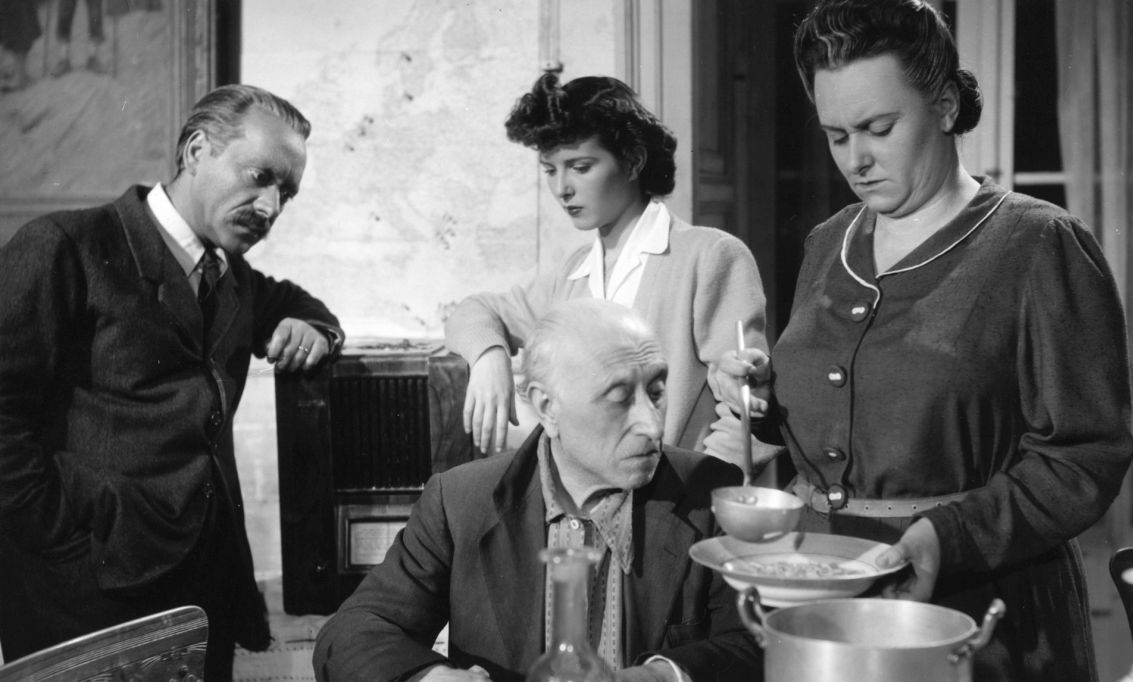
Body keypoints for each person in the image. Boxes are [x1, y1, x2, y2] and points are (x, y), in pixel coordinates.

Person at [714, 1, 1133, 680]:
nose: (856, 159)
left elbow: (1086, 457)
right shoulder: (827, 243)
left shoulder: (1037, 244)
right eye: (835, 135)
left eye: (878, 128)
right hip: (826, 608)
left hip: (982, 620)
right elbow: (841, 424)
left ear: (943, 107)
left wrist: (951, 534)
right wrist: (760, 398)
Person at [0, 84, 344, 681]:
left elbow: (302, 307)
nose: (270, 207)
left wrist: (314, 328)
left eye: (285, 193)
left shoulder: (233, 276)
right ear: (196, 150)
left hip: (205, 593)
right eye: (259, 177)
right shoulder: (66, 247)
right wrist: (61, 539)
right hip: (85, 595)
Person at [315, 298, 761, 682]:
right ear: (547, 407)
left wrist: (660, 676)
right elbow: (352, 633)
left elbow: (756, 642)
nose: (652, 424)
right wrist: (432, 678)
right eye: (620, 398)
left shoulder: (710, 493)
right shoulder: (461, 502)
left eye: (657, 392)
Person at [444, 73, 767, 470]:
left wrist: (699, 486)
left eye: (580, 167)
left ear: (633, 161)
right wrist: (489, 357)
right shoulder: (572, 273)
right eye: (550, 170)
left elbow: (745, 410)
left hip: (678, 494)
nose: (562, 188)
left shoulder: (709, 255)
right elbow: (473, 311)